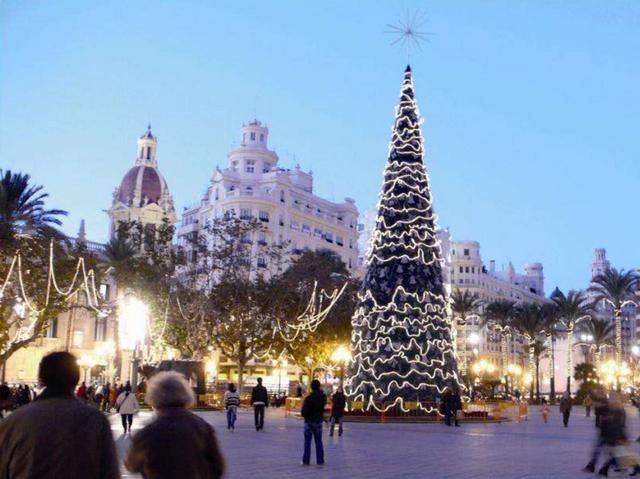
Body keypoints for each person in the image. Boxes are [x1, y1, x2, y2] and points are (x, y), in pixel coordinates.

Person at [0, 352, 119, 478]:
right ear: (76, 378)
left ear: (41, 377)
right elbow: (110, 473)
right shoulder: (96, 421)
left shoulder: (14, 422)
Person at [125, 371, 225, 479]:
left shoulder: (147, 433)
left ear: (154, 397)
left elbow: (132, 465)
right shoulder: (202, 427)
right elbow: (217, 467)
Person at [595, 393, 640, 476]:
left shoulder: (618, 410)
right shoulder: (612, 409)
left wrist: (621, 436)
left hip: (617, 435)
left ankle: (605, 469)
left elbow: (619, 424)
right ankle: (636, 467)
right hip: (614, 435)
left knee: (619, 454)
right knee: (620, 453)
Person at [301, 379, 326, 466]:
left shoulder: (308, 398)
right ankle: (320, 460)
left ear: (311, 387)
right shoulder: (323, 397)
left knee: (307, 441)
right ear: (319, 386)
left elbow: (303, 412)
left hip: (309, 422)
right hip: (318, 421)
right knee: (318, 441)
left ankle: (306, 460)